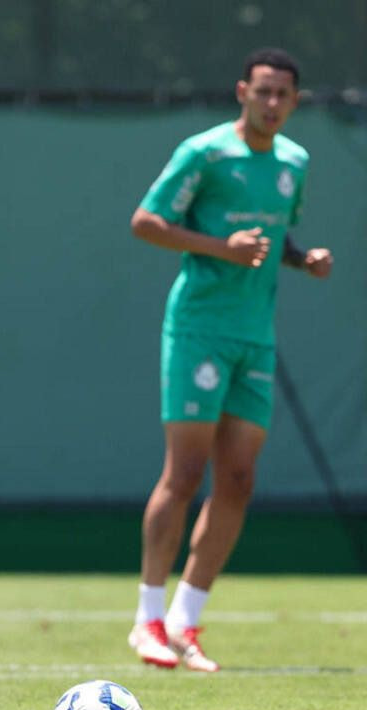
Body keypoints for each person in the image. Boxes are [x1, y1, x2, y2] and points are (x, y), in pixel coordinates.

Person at [127, 48, 332, 672]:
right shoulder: (205, 152)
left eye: (284, 95)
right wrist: (221, 245)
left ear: (295, 102)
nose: (272, 103)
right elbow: (145, 221)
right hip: (198, 330)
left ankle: (187, 623)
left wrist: (302, 259)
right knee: (184, 474)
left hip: (254, 338)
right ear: (242, 90)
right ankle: (148, 620)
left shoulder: (294, 162)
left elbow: (275, 238)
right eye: (262, 91)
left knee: (239, 479)